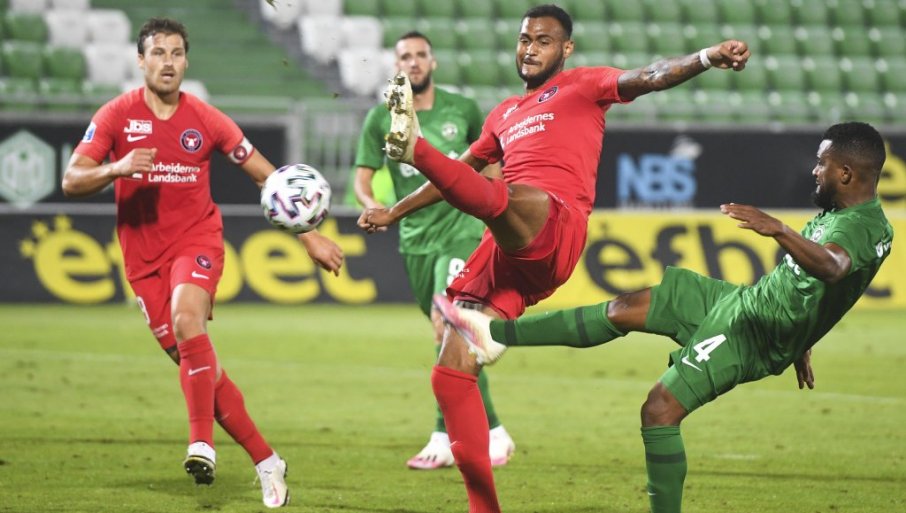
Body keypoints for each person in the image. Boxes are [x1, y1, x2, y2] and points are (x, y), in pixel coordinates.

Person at [359, 4, 750, 511]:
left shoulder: (584, 85)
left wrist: (707, 57)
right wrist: (394, 212)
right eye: (525, 39)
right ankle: (484, 507)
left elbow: (652, 75)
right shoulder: (502, 114)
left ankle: (416, 150)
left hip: (555, 224)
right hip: (507, 252)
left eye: (543, 41)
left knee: (505, 197)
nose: (530, 48)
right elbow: (461, 170)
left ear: (566, 49)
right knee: (450, 373)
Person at [434, 121, 894, 512]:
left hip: (754, 333)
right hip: (745, 302)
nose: (815, 170)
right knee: (624, 307)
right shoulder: (845, 215)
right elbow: (817, 285)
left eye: (822, 163)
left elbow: (833, 268)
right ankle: (492, 334)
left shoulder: (859, 226)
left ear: (846, 172)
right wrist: (805, 340)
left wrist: (777, 229)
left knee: (658, 411)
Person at [61, 18, 344, 509]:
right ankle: (267, 461)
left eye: (176, 53)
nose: (168, 62)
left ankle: (201, 445)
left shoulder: (207, 119)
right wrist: (118, 167)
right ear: (141, 61)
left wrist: (309, 236)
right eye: (158, 53)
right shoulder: (116, 115)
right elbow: (72, 180)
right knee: (201, 370)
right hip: (142, 260)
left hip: (197, 241)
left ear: (186, 61)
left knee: (187, 318)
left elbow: (267, 177)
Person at [354, 31, 515, 470]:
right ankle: (494, 431)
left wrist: (497, 216)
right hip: (414, 239)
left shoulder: (463, 109)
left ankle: (448, 435)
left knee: (449, 327)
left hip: (461, 230)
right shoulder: (380, 118)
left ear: (433, 61)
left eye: (421, 55)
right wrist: (373, 206)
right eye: (405, 56)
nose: (414, 62)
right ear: (396, 65)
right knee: (448, 334)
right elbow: (363, 178)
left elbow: (492, 166)